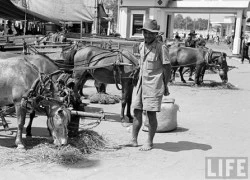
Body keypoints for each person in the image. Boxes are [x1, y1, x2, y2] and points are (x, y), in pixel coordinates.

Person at [128, 19, 171, 151]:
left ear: (156, 34)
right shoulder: (141, 46)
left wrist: (165, 85)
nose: (148, 36)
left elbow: (167, 68)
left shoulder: (161, 47)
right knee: (136, 111)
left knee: (151, 114)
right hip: (142, 84)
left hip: (154, 85)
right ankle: (134, 139)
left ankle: (149, 142)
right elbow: (141, 65)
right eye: (146, 33)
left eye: (151, 33)